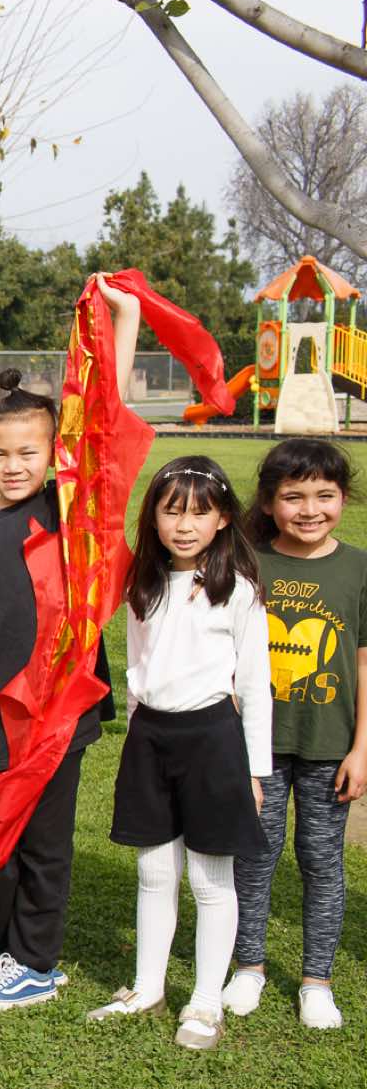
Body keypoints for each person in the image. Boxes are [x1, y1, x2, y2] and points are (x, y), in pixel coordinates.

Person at [0, 276, 137, 1010]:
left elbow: (107, 421)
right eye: (0, 453)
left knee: (45, 842)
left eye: (29, 451)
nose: (14, 464)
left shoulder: (68, 510)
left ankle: (36, 964)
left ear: (54, 453)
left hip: (58, 712)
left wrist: (124, 318)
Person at [88, 458, 268, 1049]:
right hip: (150, 738)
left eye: (199, 513)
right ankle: (148, 987)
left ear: (223, 520)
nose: (184, 525)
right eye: (171, 512)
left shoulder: (238, 591)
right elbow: (141, 665)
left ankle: (206, 1002)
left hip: (213, 741)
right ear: (154, 518)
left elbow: (254, 687)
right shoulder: (142, 585)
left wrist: (255, 771)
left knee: (210, 878)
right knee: (154, 871)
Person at [226, 438, 367, 1030]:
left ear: (343, 498)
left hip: (330, 746)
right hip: (257, 746)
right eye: (293, 497)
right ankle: (249, 967)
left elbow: (363, 663)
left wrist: (362, 749)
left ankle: (316, 982)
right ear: (269, 501)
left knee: (321, 861)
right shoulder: (246, 562)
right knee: (254, 857)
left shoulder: (358, 567)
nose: (310, 510)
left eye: (324, 495)